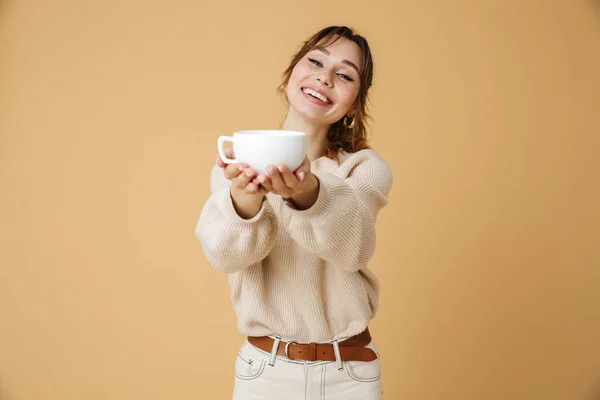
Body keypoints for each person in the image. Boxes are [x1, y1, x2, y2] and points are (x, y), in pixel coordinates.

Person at [195, 25, 393, 400]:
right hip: (265, 372)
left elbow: (354, 248)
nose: (325, 76)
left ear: (353, 105)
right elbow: (225, 256)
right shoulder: (237, 165)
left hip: (349, 374)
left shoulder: (363, 169)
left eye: (345, 74)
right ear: (291, 74)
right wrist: (245, 196)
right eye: (316, 61)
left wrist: (307, 191)